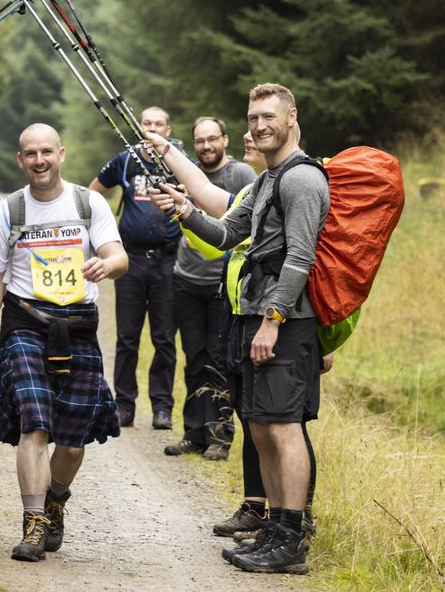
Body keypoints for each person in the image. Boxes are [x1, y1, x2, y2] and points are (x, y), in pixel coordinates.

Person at [151, 83, 329, 575]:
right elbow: (229, 232)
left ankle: (292, 538)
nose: (259, 126)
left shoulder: (301, 180)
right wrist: (185, 211)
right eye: (253, 118)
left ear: (291, 116)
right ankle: (274, 529)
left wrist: (272, 321)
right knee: (263, 426)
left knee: (284, 427)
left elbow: (300, 257)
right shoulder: (268, 179)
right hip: (256, 316)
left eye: (268, 116)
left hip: (286, 322)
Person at [0, 124, 128, 562]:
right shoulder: (6, 212)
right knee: (34, 424)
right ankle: (34, 521)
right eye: (30, 154)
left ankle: (56, 498)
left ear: (61, 154)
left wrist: (105, 265)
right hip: (26, 325)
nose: (39, 161)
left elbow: (119, 256)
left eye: (46, 153)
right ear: (20, 160)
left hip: (78, 326)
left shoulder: (87, 203)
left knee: (73, 441)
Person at [163, 117, 255, 461]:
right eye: (199, 141)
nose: (206, 146)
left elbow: (246, 226)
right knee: (193, 360)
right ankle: (193, 433)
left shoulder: (242, 175)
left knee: (218, 362)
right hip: (186, 279)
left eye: (212, 139)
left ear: (225, 140)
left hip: (221, 284)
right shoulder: (182, 175)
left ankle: (220, 436)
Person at [89, 106, 182, 430]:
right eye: (147, 124)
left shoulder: (177, 162)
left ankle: (162, 408)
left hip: (169, 260)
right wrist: (99, 231)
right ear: (140, 127)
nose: (152, 128)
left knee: (164, 338)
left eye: (159, 124)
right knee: (127, 337)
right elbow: (93, 192)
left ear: (168, 130)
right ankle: (124, 405)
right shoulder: (126, 159)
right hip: (130, 260)